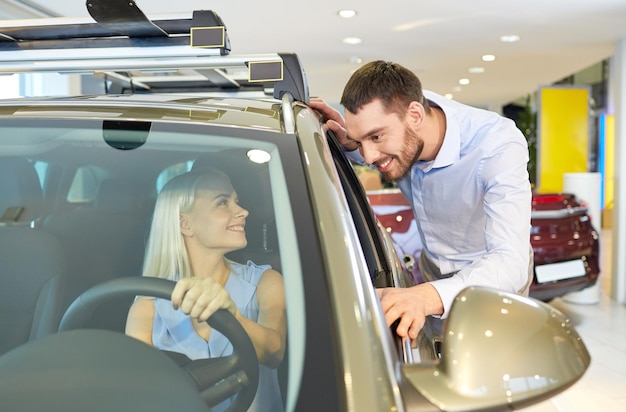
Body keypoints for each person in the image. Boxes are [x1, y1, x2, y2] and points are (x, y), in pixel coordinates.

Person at [309, 60, 533, 340]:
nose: (367, 157)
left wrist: (426, 297)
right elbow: (377, 152)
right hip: (432, 273)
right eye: (361, 142)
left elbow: (510, 262)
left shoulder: (496, 145)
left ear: (415, 115)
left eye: (376, 136)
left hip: (490, 282)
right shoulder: (404, 124)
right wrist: (347, 142)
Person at [125, 167, 286, 412]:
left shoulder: (265, 281)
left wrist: (232, 315)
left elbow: (274, 352)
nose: (243, 211)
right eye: (223, 202)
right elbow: (138, 396)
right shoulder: (146, 307)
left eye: (237, 201)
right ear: (185, 223)